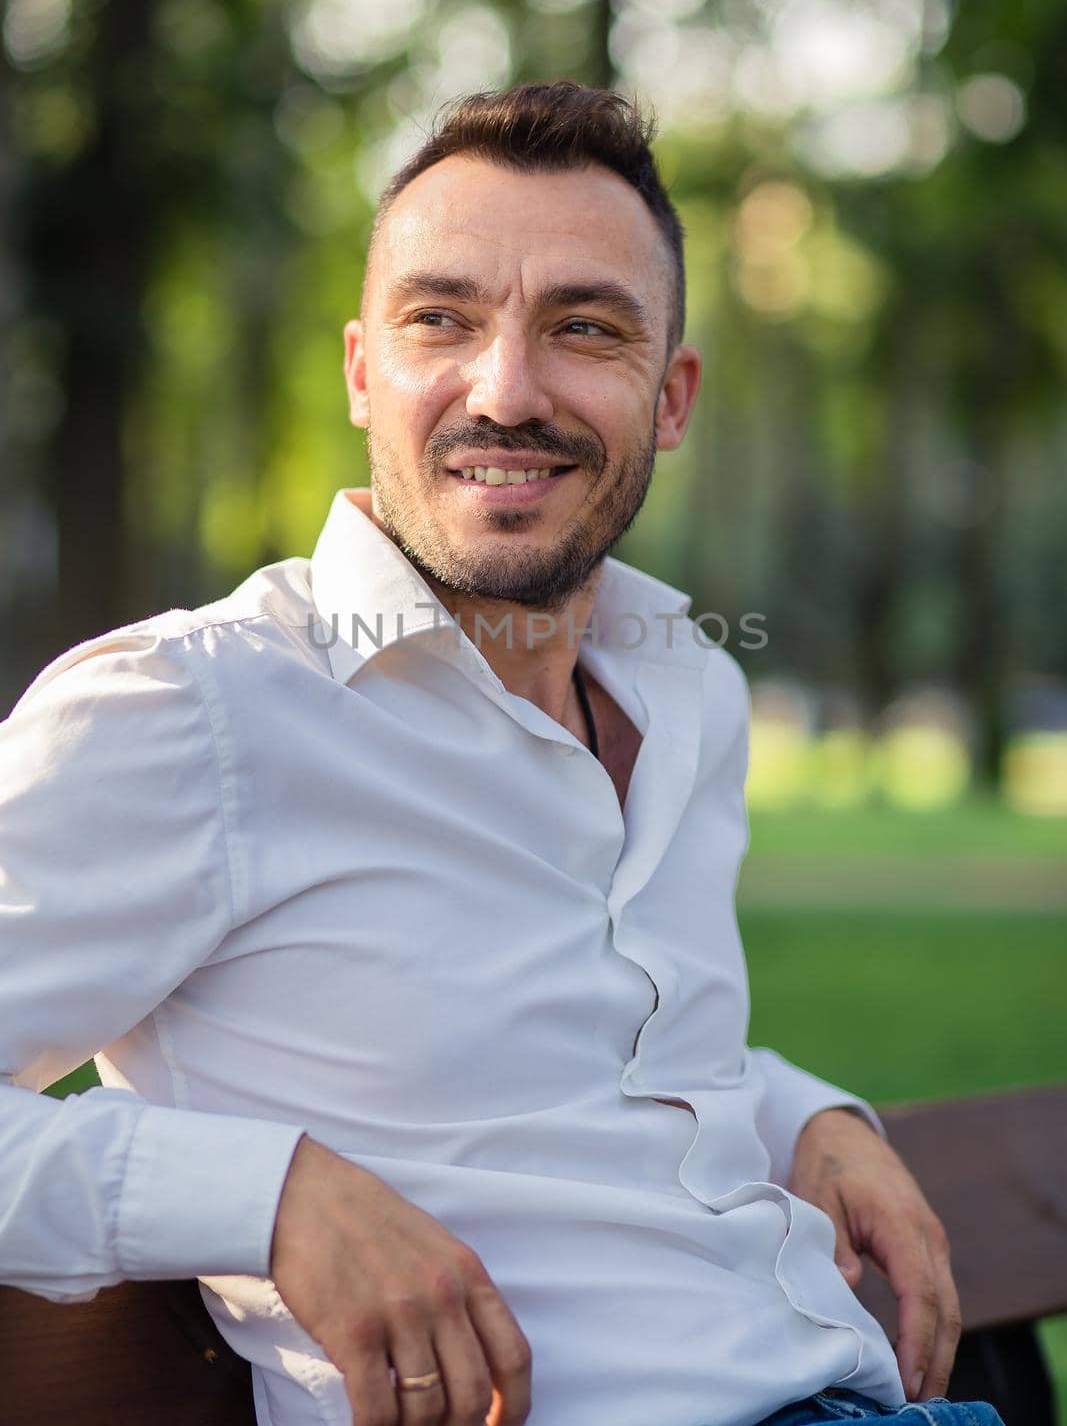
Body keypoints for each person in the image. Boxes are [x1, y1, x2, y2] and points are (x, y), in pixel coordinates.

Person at [0, 82, 1000, 1426]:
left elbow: (586, 1056)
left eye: (585, 328)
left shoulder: (685, 685)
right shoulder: (194, 710)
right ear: (365, 371)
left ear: (673, 393)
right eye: (442, 321)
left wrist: (802, 1116)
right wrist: (270, 1195)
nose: (507, 390)